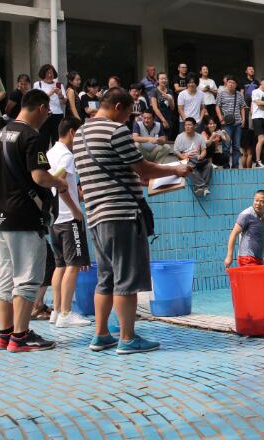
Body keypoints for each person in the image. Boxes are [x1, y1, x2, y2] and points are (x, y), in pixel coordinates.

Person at [74, 88, 192, 354]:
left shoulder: (81, 133)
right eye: (128, 113)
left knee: (105, 278)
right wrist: (176, 168)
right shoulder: (116, 131)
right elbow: (143, 167)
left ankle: (101, 334)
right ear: (117, 106)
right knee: (126, 278)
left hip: (96, 215)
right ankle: (127, 338)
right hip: (121, 214)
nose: (128, 120)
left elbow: (114, 168)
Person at [0, 89, 67, 352]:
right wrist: (59, 183)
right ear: (43, 108)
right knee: (26, 279)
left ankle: (5, 333)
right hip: (23, 216)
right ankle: (21, 338)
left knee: (5, 278)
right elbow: (40, 177)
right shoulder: (31, 136)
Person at [46, 118, 92, 328]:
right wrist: (75, 210)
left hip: (54, 218)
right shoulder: (66, 155)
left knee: (60, 266)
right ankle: (66, 313)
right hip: (67, 217)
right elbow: (61, 183)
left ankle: (56, 311)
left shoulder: (50, 153)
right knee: (73, 266)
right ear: (72, 132)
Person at [224, 190, 264, 267]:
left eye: (261, 201)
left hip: (259, 258)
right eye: (256, 200)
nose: (258, 204)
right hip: (246, 257)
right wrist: (229, 255)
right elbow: (233, 234)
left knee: (258, 279)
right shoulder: (246, 214)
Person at [174, 117, 213, 197]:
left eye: (189, 125)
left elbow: (204, 150)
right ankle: (203, 187)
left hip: (197, 160)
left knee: (209, 166)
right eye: (186, 125)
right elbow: (176, 151)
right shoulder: (180, 137)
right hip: (186, 160)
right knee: (189, 166)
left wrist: (201, 156)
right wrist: (184, 157)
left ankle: (199, 187)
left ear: (195, 126)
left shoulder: (199, 137)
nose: (187, 127)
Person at [215, 75, 246, 168]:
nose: (231, 84)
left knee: (236, 146)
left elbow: (242, 107)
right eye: (229, 82)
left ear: (236, 84)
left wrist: (243, 119)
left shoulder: (239, 94)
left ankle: (235, 166)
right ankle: (226, 166)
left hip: (237, 123)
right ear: (226, 83)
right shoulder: (221, 93)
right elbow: (217, 106)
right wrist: (221, 119)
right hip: (226, 124)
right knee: (226, 146)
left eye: (233, 83)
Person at [32, 64, 66, 146]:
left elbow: (64, 101)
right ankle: (43, 158)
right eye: (48, 73)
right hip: (44, 115)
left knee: (57, 140)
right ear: (43, 74)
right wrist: (50, 93)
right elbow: (37, 99)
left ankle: (56, 158)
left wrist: (60, 95)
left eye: (52, 73)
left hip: (57, 115)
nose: (50, 75)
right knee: (43, 139)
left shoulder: (59, 85)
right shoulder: (38, 84)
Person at [149, 72, 176, 139]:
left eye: (165, 79)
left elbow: (172, 108)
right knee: (158, 139)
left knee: (167, 139)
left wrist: (169, 98)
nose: (164, 80)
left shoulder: (170, 91)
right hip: (158, 119)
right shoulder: (154, 91)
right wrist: (163, 120)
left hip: (169, 118)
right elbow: (155, 108)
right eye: (162, 79)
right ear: (158, 80)